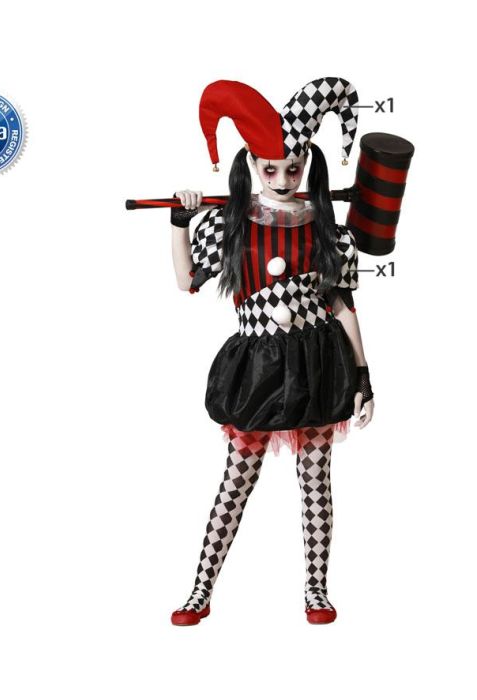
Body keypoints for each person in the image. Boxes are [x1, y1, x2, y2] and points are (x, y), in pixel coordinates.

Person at [169, 78, 374, 625]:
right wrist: (180, 222)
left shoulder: (329, 231)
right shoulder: (228, 224)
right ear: (252, 166)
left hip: (318, 364)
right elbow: (187, 281)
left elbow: (342, 305)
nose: (283, 180)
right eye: (270, 170)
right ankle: (199, 590)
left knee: (316, 481)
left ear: (307, 166)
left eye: (293, 168)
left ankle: (317, 591)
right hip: (257, 368)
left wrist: (363, 377)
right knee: (236, 480)